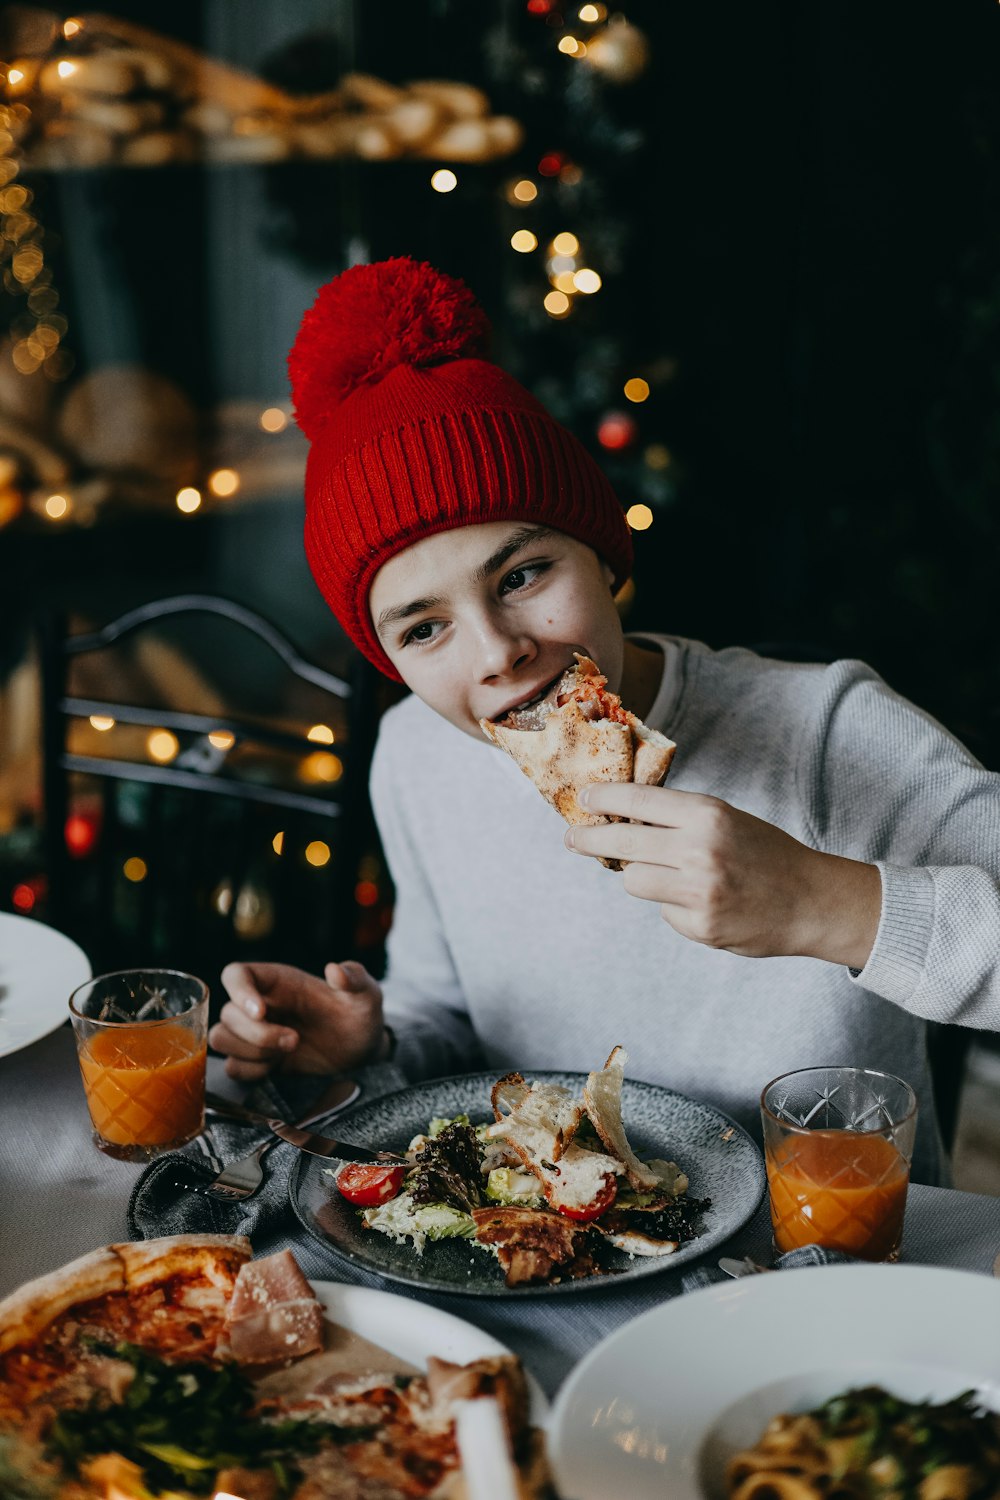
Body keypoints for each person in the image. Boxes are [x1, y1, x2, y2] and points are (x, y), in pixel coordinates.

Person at [209, 256, 1000, 1186]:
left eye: (521, 577)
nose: (498, 651)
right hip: (553, 1248)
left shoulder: (830, 728)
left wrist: (822, 904)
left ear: (602, 555)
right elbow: (454, 1017)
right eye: (425, 630)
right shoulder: (417, 756)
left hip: (820, 1261)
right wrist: (371, 1042)